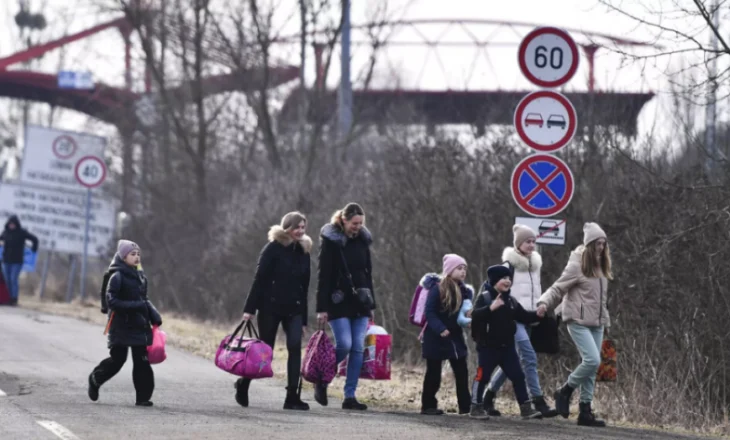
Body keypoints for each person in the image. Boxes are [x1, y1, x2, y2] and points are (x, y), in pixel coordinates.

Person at [537, 222, 612, 427]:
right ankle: (565, 391)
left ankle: (585, 411)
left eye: (604, 244)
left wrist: (605, 318)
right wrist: (544, 302)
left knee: (591, 367)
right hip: (577, 320)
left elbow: (600, 299)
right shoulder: (577, 264)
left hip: (596, 322)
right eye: (598, 243)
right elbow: (557, 288)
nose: (601, 247)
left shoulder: (602, 266)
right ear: (589, 244)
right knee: (592, 360)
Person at [236, 211, 312, 411]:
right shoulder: (272, 249)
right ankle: (243, 384)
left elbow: (305, 287)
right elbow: (259, 279)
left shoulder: (304, 252)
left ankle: (292, 397)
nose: (300, 231)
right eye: (297, 227)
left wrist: (304, 319)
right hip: (270, 307)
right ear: (287, 227)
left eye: (303, 227)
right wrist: (249, 309)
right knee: (264, 351)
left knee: (295, 348)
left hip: (294, 309)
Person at [483, 225, 557, 418]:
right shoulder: (509, 265)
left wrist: (541, 306)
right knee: (529, 358)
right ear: (518, 244)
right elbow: (491, 287)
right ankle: (537, 400)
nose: (531, 245)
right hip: (513, 319)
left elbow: (535, 292)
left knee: (512, 362)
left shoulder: (535, 265)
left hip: (531, 318)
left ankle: (488, 396)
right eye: (527, 241)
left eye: (533, 241)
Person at [316, 203, 375, 410]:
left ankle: (349, 396)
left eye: (360, 223)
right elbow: (323, 277)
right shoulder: (331, 242)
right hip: (338, 301)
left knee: (358, 348)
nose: (357, 227)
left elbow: (368, 274)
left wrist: (372, 304)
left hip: (361, 301)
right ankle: (322, 377)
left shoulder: (363, 242)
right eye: (354, 223)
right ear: (343, 220)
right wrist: (321, 308)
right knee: (345, 344)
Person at [88, 240, 162, 407]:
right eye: (132, 254)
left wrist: (154, 315)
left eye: (138, 254)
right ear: (123, 257)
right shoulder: (117, 276)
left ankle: (143, 397)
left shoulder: (141, 276)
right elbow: (111, 301)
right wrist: (136, 306)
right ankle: (95, 379)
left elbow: (144, 299)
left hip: (138, 326)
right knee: (117, 360)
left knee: (142, 361)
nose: (136, 258)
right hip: (120, 326)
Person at [470, 263, 544, 420]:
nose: (508, 281)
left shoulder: (511, 301)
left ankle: (526, 408)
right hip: (488, 348)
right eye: (503, 278)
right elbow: (475, 315)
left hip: (507, 348)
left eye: (509, 278)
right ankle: (476, 407)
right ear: (495, 280)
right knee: (482, 377)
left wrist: (537, 314)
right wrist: (491, 308)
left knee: (518, 376)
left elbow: (524, 316)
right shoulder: (485, 297)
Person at [419, 254, 473, 416]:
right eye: (459, 268)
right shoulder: (438, 288)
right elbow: (430, 312)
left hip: (455, 337)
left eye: (465, 268)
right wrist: (440, 328)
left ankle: (466, 406)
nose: (463, 271)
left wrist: (468, 320)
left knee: (462, 371)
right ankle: (428, 405)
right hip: (435, 336)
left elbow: (463, 313)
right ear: (449, 270)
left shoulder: (465, 290)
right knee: (433, 373)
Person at [0, 215, 38, 305]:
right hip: (6, 260)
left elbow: (34, 239)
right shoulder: (5, 232)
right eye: (10, 224)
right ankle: (7, 298)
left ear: (16, 224)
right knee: (6, 280)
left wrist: (34, 248)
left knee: (13, 279)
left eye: (13, 224)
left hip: (17, 261)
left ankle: (14, 299)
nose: (11, 225)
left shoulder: (22, 232)